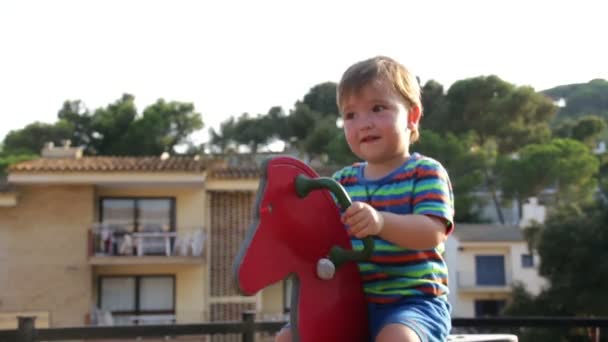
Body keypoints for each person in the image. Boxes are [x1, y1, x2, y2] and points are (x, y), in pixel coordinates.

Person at [275, 55, 454, 342]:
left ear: (412, 116)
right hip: (349, 301)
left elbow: (432, 233)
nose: (364, 123)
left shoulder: (425, 172)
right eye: (350, 115)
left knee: (397, 338)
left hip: (412, 303)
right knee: (289, 337)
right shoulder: (342, 182)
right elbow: (324, 239)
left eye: (378, 108)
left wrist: (381, 222)